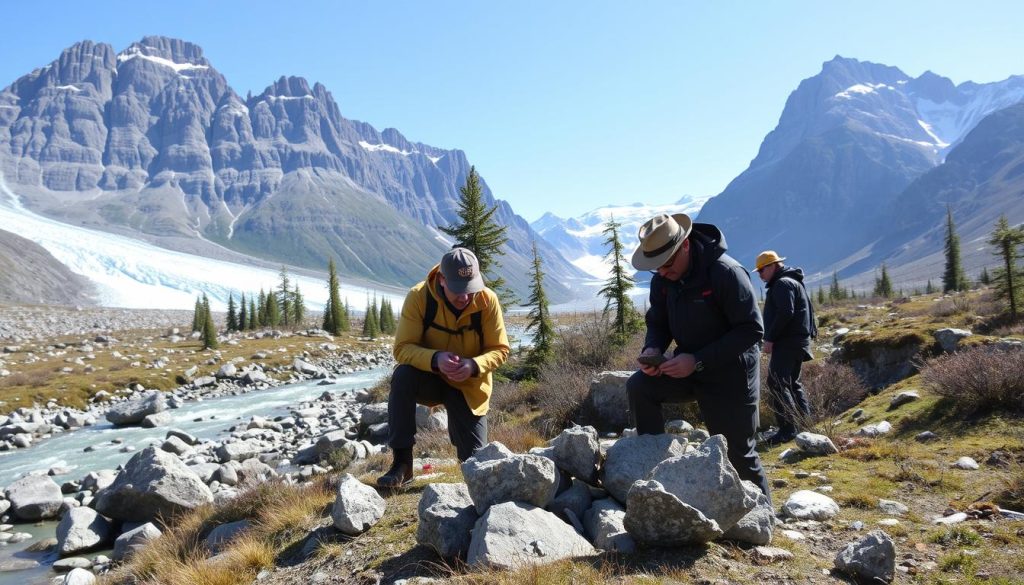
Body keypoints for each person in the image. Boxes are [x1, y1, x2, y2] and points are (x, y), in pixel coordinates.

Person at [627, 213, 770, 498]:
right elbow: (658, 322)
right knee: (640, 387)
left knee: (738, 455)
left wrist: (698, 360)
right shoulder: (664, 280)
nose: (662, 272)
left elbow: (752, 330)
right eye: (655, 268)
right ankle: (658, 479)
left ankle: (764, 522)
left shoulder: (725, 273)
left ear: (686, 246)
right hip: (686, 368)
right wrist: (652, 349)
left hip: (731, 374)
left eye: (666, 264)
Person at [377, 247, 510, 488]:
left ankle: (466, 458)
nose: (465, 297)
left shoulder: (487, 300)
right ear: (441, 279)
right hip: (430, 379)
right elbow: (402, 349)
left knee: (475, 465)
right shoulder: (419, 297)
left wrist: (474, 365)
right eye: (458, 290)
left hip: (469, 387)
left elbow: (500, 349)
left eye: (470, 289)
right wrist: (435, 359)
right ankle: (402, 464)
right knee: (403, 376)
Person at [754, 250, 817, 446]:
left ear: (773, 266)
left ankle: (787, 430)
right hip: (797, 341)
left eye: (762, 270)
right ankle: (805, 425)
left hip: (787, 342)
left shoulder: (782, 284)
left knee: (777, 383)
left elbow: (786, 312)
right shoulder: (792, 282)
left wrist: (770, 339)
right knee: (791, 383)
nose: (760, 275)